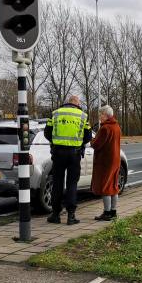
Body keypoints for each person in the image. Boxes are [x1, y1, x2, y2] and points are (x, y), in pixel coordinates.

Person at [44, 95, 91, 225]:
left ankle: (55, 215)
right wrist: (78, 142)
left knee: (57, 183)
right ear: (77, 104)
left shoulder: (55, 113)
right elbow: (87, 136)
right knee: (72, 184)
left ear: (67, 102)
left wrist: (55, 142)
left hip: (58, 153)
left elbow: (47, 133)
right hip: (74, 154)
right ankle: (71, 216)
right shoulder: (83, 116)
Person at [91, 105, 122, 221]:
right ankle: (113, 211)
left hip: (105, 161)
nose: (100, 116)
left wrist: (91, 141)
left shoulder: (105, 128)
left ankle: (107, 212)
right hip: (115, 159)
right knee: (114, 186)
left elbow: (96, 144)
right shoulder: (117, 127)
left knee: (105, 187)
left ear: (106, 115)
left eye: (101, 114)